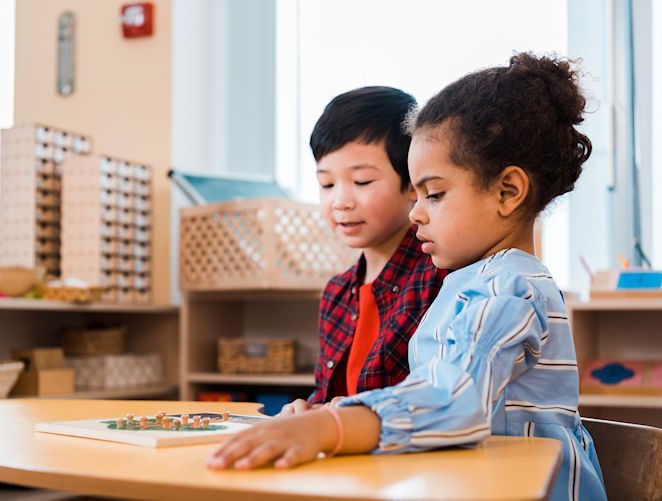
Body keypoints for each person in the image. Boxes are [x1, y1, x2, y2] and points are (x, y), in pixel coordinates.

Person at [208, 52, 607, 501]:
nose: (416, 213)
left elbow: (453, 398)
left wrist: (328, 425)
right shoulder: (472, 282)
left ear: (507, 191)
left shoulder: (508, 287)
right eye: (418, 194)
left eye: (434, 194)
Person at [281, 86, 447, 414]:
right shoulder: (337, 293)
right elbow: (330, 394)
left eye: (362, 182)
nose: (341, 201)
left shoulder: (441, 273)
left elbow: (442, 398)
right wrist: (304, 411)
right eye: (327, 184)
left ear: (411, 185)